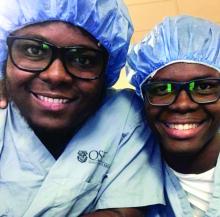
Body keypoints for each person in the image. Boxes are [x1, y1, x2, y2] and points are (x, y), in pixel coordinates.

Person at [0, 0, 164, 216]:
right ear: (6, 57)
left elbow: (122, 212)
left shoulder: (124, 115)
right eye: (33, 50)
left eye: (83, 59)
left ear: (107, 73)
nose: (56, 75)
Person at [126, 15, 220, 216]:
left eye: (204, 86)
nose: (183, 104)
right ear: (142, 98)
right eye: (162, 89)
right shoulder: (126, 178)